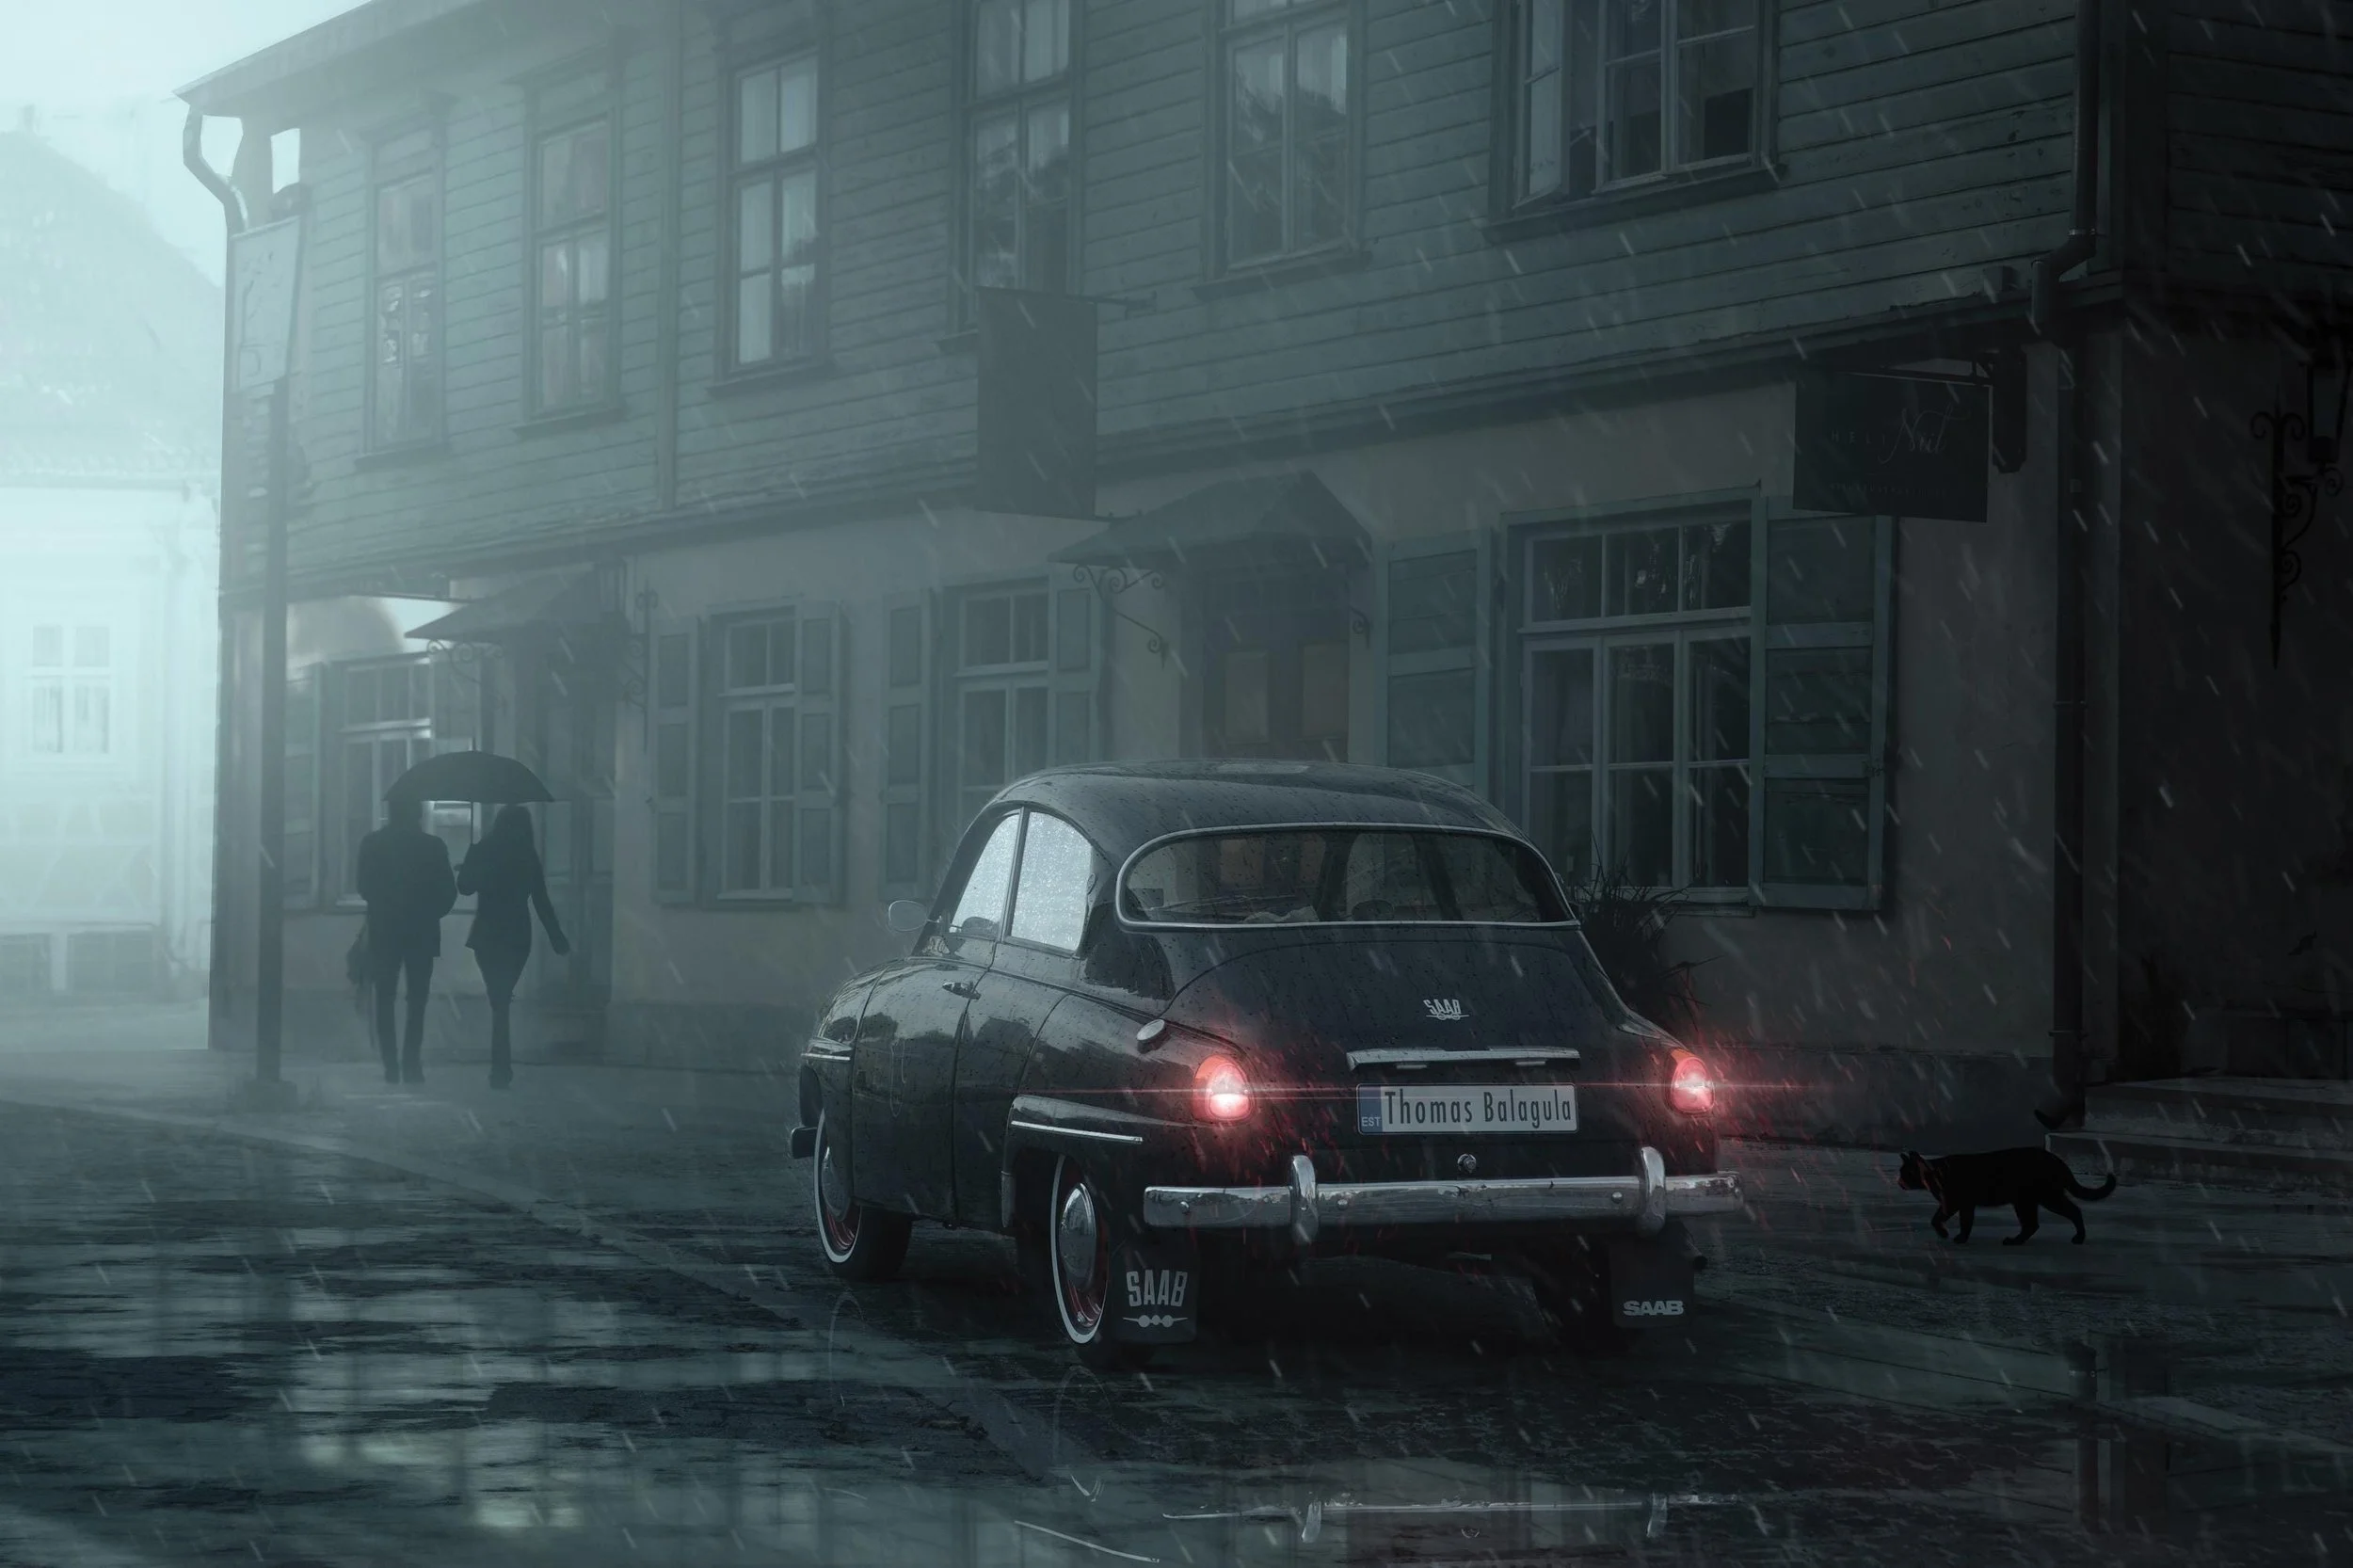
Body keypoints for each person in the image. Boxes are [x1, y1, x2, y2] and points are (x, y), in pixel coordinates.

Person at [456, 805, 568, 1089]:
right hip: (517, 935)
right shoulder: (525, 855)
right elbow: (540, 900)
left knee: (498, 999)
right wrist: (557, 937)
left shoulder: (484, 850)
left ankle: (501, 1067)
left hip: (487, 933)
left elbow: (465, 887)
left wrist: (471, 857)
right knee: (502, 999)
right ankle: (501, 1066)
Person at [355, 793, 458, 1084]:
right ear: (418, 814)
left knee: (385, 998)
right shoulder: (433, 846)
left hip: (384, 931)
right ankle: (411, 1062)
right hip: (421, 932)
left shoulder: (372, 844)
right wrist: (428, 912)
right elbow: (448, 893)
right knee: (417, 1000)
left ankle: (391, 1066)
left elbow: (363, 887)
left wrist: (386, 906)